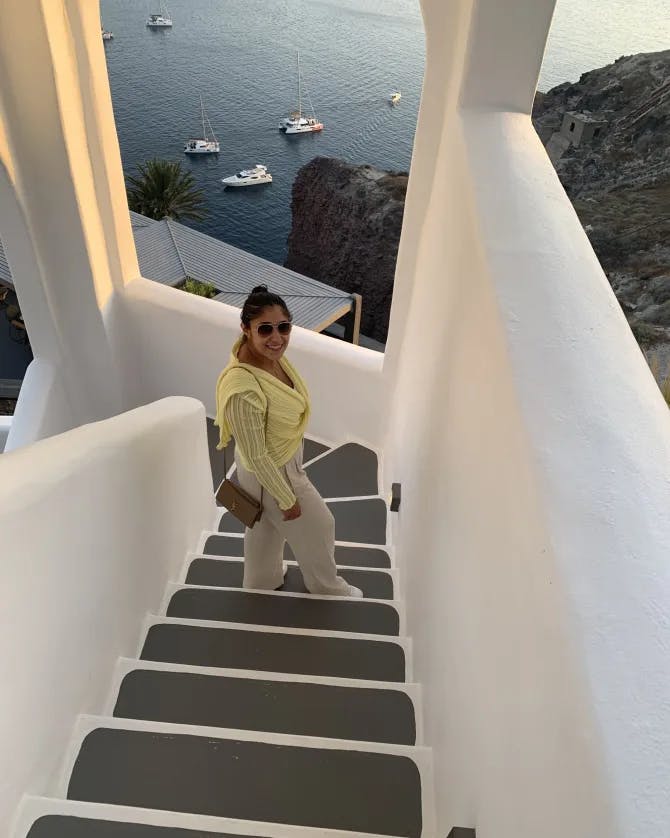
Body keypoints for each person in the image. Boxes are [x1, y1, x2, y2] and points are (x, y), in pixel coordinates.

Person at [215, 285, 363, 598]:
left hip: (273, 465)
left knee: (266, 529)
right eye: (265, 329)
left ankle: (260, 581)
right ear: (246, 329)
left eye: (283, 327)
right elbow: (257, 455)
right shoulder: (243, 389)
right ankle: (326, 587)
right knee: (320, 525)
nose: (277, 337)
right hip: (272, 472)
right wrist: (286, 497)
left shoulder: (272, 359)